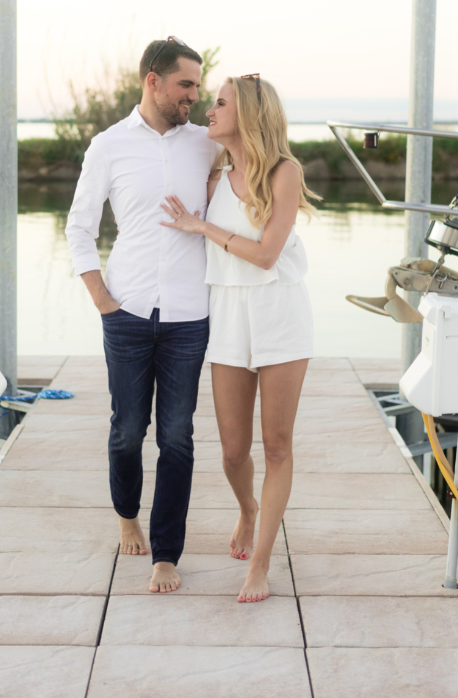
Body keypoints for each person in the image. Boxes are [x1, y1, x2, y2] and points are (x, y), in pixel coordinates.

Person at [65, 37, 220, 594]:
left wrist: (246, 93)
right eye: (185, 85)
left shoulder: (207, 143)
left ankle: (166, 554)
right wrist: (102, 298)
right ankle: (126, 512)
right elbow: (79, 227)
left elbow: (260, 146)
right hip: (126, 311)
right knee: (129, 431)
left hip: (188, 317)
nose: (194, 97)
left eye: (199, 88)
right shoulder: (107, 146)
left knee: (177, 436)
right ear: (153, 81)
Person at [161, 74, 316, 603]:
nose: (209, 108)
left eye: (220, 102)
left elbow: (268, 254)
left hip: (279, 315)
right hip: (226, 314)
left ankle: (262, 565)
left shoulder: (284, 172)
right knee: (231, 450)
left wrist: (206, 230)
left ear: (246, 113)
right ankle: (248, 507)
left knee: (276, 445)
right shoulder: (213, 177)